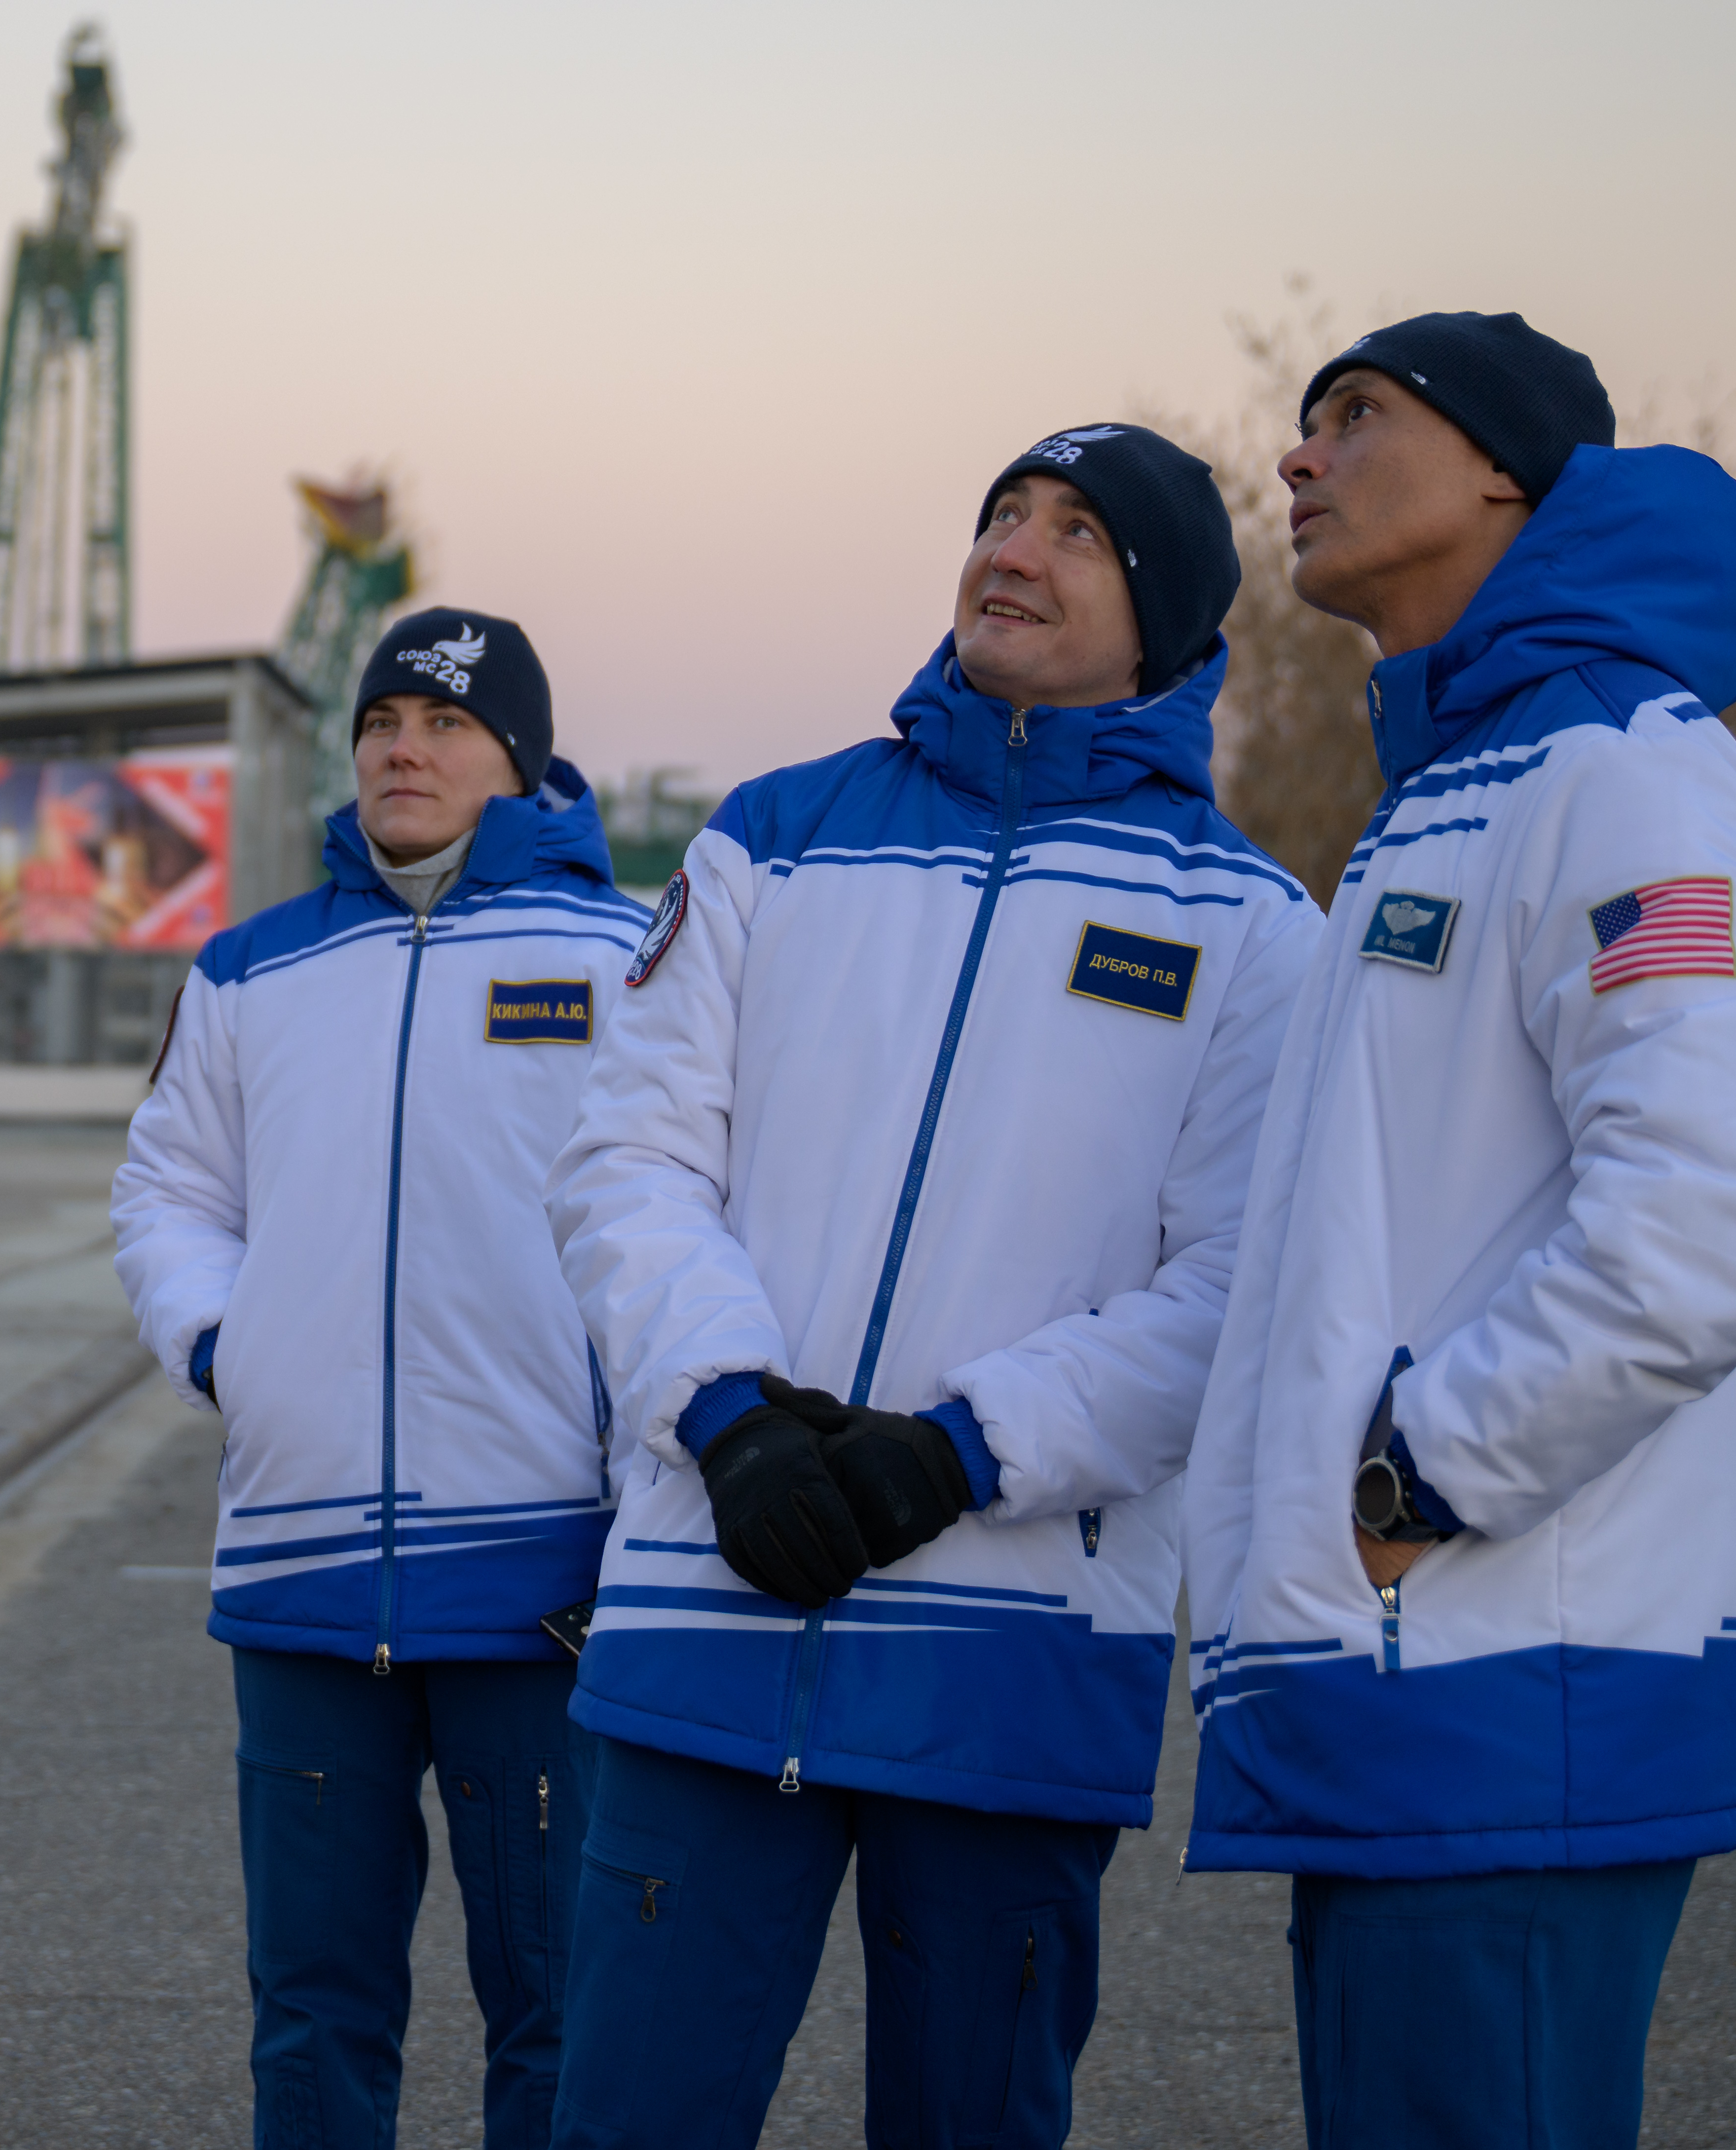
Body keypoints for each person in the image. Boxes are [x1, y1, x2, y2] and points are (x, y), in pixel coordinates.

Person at [545, 427, 1319, 2150]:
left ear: (1172, 616)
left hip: (1013, 1648)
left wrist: (964, 1451)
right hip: (712, 1596)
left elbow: (1238, 1287)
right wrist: (729, 1417)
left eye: (1078, 532)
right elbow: (627, 1161)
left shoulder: (1254, 925)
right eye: (1002, 515)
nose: (1013, 552)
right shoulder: (774, 838)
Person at [1180, 313, 1736, 2148]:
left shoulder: (1622, 768)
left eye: (1355, 414)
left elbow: (1700, 1226)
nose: (1295, 458)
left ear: (1504, 476)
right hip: (1413, 1691)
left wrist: (1414, 1476)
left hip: (1509, 1688)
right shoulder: (1446, 793)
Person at [112, 607, 649, 2150]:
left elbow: (699, 1211)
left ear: (521, 760)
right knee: (312, 2001)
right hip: (300, 1570)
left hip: (544, 1570)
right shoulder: (253, 970)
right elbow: (169, 1190)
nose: (404, 748)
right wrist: (225, 1345)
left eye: (446, 723)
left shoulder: (629, 958)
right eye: (381, 723)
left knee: (557, 2000)